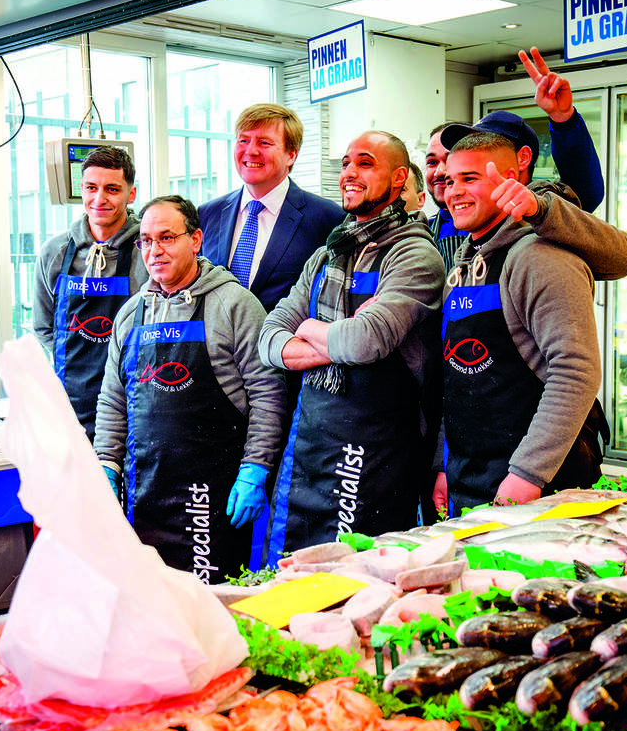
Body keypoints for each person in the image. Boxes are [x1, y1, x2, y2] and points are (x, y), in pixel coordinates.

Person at [260, 131, 444, 562]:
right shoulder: (327, 255)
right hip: (310, 450)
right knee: (293, 575)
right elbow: (269, 339)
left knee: (360, 579)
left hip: (379, 454)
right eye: (345, 163)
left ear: (398, 178)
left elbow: (366, 341)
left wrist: (309, 327)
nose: (349, 173)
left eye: (365, 163)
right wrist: (340, 337)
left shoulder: (414, 256)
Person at [94, 195, 287, 582]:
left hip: (212, 499)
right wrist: (106, 465)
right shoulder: (131, 314)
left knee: (215, 607)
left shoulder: (234, 305)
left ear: (196, 240)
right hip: (146, 496)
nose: (155, 251)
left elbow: (268, 395)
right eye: (146, 241)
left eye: (167, 238)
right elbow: (113, 401)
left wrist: (255, 469)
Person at [436, 131, 609, 514]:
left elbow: (576, 371)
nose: (454, 192)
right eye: (449, 180)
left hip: (538, 487)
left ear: (511, 179)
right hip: (471, 477)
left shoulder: (540, 258)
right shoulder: (465, 262)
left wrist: (528, 474)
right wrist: (444, 465)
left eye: (470, 178)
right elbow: (457, 375)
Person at [427, 47, 611, 272]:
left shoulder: (545, 212)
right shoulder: (442, 221)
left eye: (485, 147)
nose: (452, 183)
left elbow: (586, 193)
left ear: (522, 158)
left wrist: (563, 119)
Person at [32, 146, 148, 439]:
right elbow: (43, 327)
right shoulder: (54, 252)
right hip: (71, 405)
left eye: (112, 189)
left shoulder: (148, 251)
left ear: (131, 194)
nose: (99, 199)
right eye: (91, 188)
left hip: (134, 404)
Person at [199, 104, 345, 312]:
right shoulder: (207, 214)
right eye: (243, 140)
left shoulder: (327, 219)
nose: (251, 151)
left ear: (291, 155)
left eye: (264, 143)